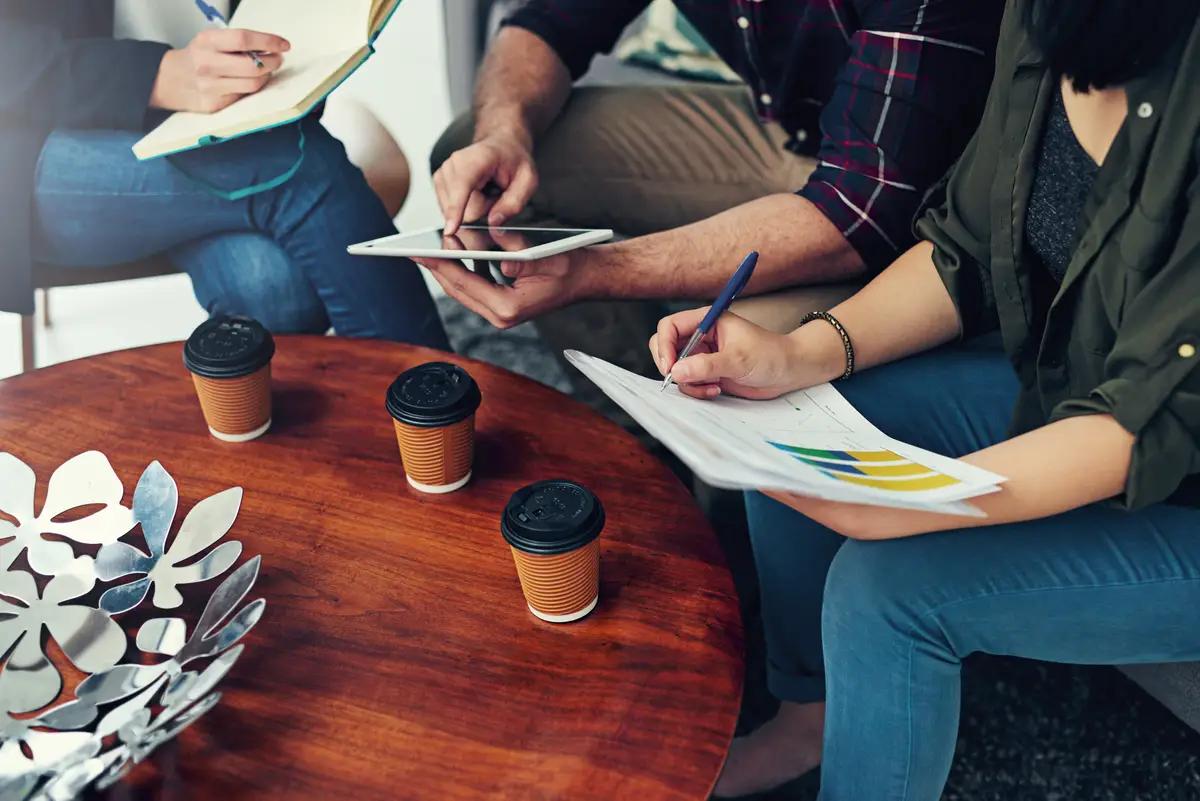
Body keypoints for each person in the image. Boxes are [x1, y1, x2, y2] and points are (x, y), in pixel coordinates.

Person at [647, 0, 1200, 796]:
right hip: (1074, 380)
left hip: (1173, 472)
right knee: (793, 414)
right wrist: (797, 353)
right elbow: (964, 246)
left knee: (884, 593)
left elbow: (1141, 423)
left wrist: (904, 506)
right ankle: (815, 720)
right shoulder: (1043, 20)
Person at [421, 0, 1004, 383]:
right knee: (477, 145)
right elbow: (546, 21)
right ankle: (636, 439)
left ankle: (709, 504)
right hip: (795, 129)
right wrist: (505, 134)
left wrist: (594, 270)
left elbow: (857, 212)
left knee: (731, 350)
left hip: (935, 194)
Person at [0, 1, 449, 350]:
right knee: (297, 164)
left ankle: (313, 456)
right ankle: (433, 416)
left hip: (206, 123)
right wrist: (155, 76)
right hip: (29, 140)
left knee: (277, 292)